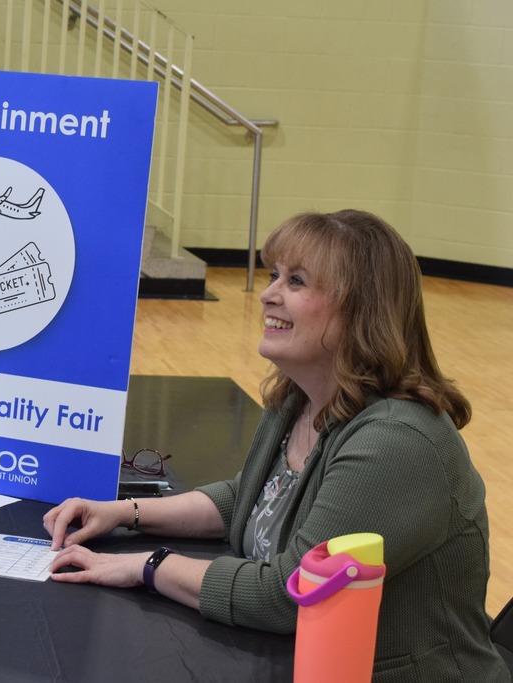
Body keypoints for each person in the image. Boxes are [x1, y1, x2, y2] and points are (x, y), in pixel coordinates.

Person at [44, 210, 510, 681]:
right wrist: (124, 513)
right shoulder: (298, 398)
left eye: (297, 281)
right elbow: (246, 498)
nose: (268, 294)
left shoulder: (397, 442)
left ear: (362, 309)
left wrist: (145, 565)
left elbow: (286, 595)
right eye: (274, 275)